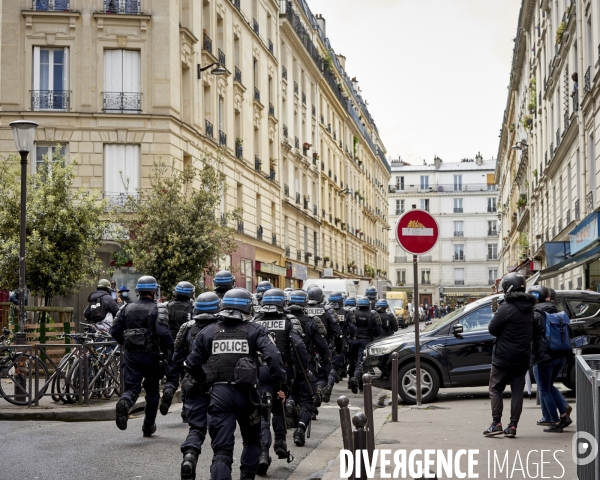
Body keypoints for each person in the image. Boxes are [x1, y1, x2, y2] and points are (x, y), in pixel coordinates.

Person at [184, 288, 288, 480]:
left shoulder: (208, 332)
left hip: (219, 394)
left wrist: (205, 381)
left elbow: (191, 364)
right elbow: (274, 356)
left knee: (222, 451)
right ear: (248, 307)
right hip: (248, 395)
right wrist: (280, 382)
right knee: (252, 441)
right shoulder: (255, 330)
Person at [110, 275, 173, 437]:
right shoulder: (159, 309)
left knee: (131, 389)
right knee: (152, 392)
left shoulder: (126, 308)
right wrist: (170, 351)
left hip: (131, 355)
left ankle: (124, 402)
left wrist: (126, 343)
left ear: (138, 291)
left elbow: (114, 331)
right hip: (152, 356)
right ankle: (148, 426)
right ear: (154, 291)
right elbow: (163, 333)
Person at [254, 288, 306, 474]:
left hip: (260, 371)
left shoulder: (255, 321)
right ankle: (280, 442)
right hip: (281, 369)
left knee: (262, 412)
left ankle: (262, 452)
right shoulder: (289, 321)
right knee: (279, 405)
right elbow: (298, 347)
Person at [483, 272, 536, 438]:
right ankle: (512, 426)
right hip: (522, 357)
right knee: (517, 392)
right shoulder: (530, 309)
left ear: (508, 288)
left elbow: (492, 329)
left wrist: (497, 314)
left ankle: (496, 423)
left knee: (495, 389)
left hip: (503, 357)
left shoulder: (506, 308)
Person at [176, 292, 222, 479]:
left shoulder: (187, 328)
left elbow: (177, 358)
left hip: (194, 383)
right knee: (220, 432)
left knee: (196, 428)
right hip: (219, 385)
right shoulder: (223, 328)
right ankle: (219, 468)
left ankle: (189, 456)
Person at [285, 289, 329, 447]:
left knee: (291, 391)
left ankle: (290, 402)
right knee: (307, 399)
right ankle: (300, 429)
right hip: (305, 364)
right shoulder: (311, 320)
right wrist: (326, 364)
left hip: (285, 366)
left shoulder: (284, 319)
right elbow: (323, 346)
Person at [528, 285, 573, 433]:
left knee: (544, 389)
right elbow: (570, 332)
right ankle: (564, 415)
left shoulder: (535, 313)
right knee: (550, 385)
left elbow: (528, 334)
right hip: (560, 356)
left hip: (544, 357)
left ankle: (555, 421)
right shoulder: (558, 312)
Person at [160, 281, 196, 417]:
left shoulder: (167, 307)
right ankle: (186, 411)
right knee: (187, 379)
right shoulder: (192, 307)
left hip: (171, 349)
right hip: (187, 349)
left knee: (172, 377)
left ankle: (168, 391)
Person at [306, 286, 343, 403]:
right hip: (323, 348)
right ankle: (317, 394)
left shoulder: (302, 309)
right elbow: (338, 333)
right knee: (322, 377)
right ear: (321, 298)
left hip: (305, 349)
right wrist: (339, 349)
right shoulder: (327, 310)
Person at [348, 297, 382, 394]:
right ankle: (357, 381)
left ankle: (351, 382)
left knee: (352, 362)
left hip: (353, 341)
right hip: (366, 341)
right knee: (361, 363)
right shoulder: (372, 314)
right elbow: (379, 330)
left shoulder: (352, 312)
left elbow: (348, 326)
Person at [329, 292, 357, 383]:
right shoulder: (346, 312)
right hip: (341, 341)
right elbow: (353, 328)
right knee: (337, 364)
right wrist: (351, 338)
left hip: (327, 341)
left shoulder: (326, 311)